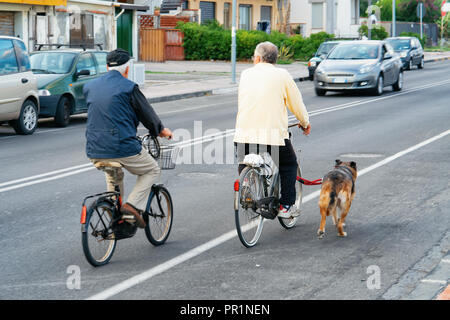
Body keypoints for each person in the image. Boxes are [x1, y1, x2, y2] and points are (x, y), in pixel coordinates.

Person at [84, 48, 172, 228]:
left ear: (107, 66)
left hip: (94, 148)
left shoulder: (90, 86)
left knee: (114, 175)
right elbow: (146, 114)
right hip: (122, 146)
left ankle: (115, 216)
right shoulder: (129, 87)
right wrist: (161, 130)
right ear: (127, 69)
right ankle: (131, 206)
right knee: (152, 170)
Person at [234, 41, 311, 219]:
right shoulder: (282, 75)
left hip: (244, 132)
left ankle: (247, 183)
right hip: (272, 135)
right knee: (289, 164)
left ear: (258, 58)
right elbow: (296, 103)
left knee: (245, 159)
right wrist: (304, 122)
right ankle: (286, 206)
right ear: (274, 59)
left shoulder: (246, 74)